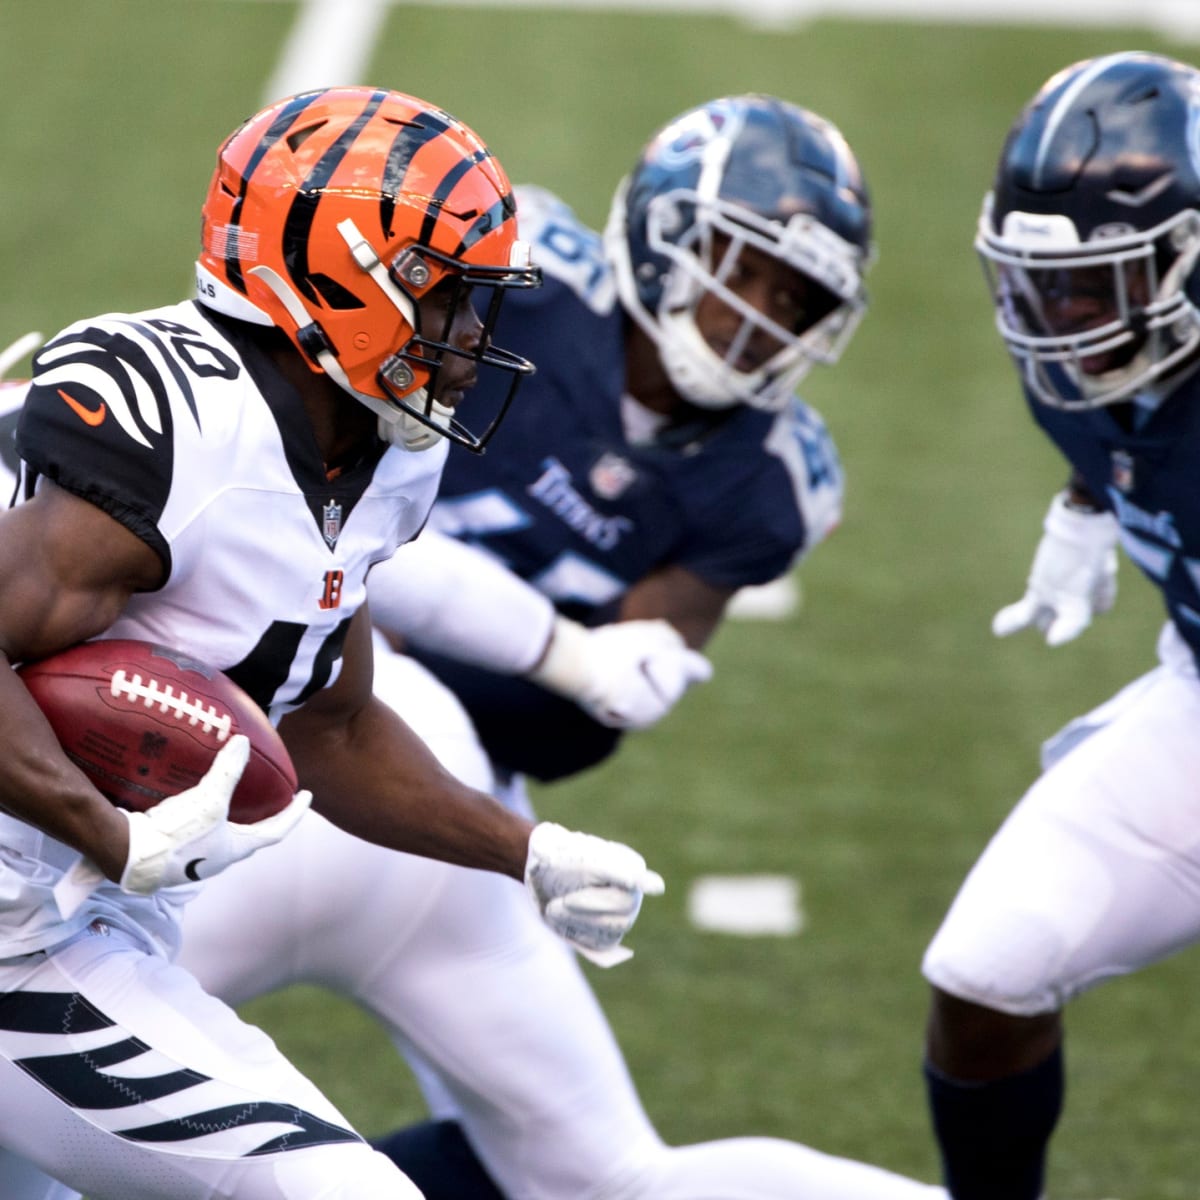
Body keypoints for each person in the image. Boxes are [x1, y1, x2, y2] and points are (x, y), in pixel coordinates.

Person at [179, 94, 948, 1198]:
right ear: (656, 233)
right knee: (600, 1173)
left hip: (396, 768)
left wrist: (612, 671)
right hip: (392, 775)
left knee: (50, 1052)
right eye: (743, 269)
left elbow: (603, 684)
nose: (761, 319)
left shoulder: (770, 480)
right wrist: (575, 659)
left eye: (798, 299)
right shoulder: (522, 283)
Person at [0, 85, 668, 1200]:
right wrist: (104, 831)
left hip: (82, 916)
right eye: (448, 300)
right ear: (341, 281)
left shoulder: (378, 451)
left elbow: (332, 725)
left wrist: (525, 853)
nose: (473, 339)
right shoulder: (184, 430)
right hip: (24, 937)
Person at [920, 50, 1200, 1200]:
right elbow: (1125, 429)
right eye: (1044, 288)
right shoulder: (1084, 366)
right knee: (989, 970)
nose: (1063, 322)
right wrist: (1088, 502)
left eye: (1099, 289)